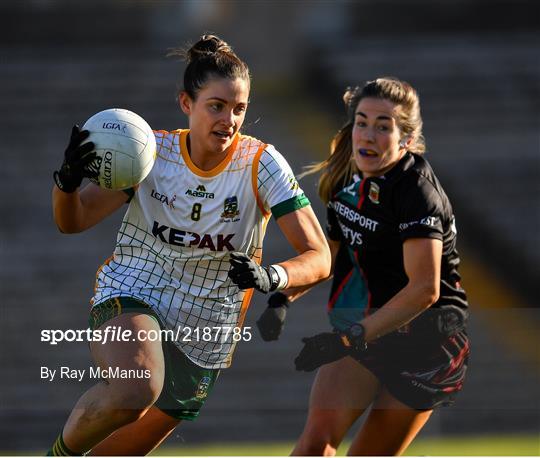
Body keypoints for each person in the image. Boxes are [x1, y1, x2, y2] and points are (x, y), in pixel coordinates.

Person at [48, 34, 330, 456]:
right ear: (186, 103)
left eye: (239, 109)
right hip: (136, 290)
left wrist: (272, 275)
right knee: (137, 386)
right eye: (216, 106)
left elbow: (319, 256)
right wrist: (67, 184)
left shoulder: (260, 163)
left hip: (208, 328)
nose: (229, 120)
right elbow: (73, 221)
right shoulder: (150, 155)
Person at [257, 77, 470, 456]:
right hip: (369, 329)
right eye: (362, 121)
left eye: (383, 126)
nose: (368, 135)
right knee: (313, 446)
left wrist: (350, 336)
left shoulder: (416, 192)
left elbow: (425, 290)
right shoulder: (345, 178)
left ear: (406, 139)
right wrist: (282, 300)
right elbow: (330, 258)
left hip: (427, 347)